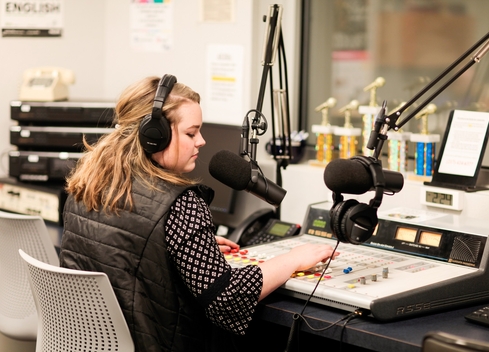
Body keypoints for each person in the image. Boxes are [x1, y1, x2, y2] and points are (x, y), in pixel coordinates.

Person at [59, 75, 339, 352]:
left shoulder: (87, 184)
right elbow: (226, 298)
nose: (202, 141)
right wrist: (291, 260)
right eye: (191, 133)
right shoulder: (179, 203)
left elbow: (122, 248)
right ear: (154, 136)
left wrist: (173, 247)